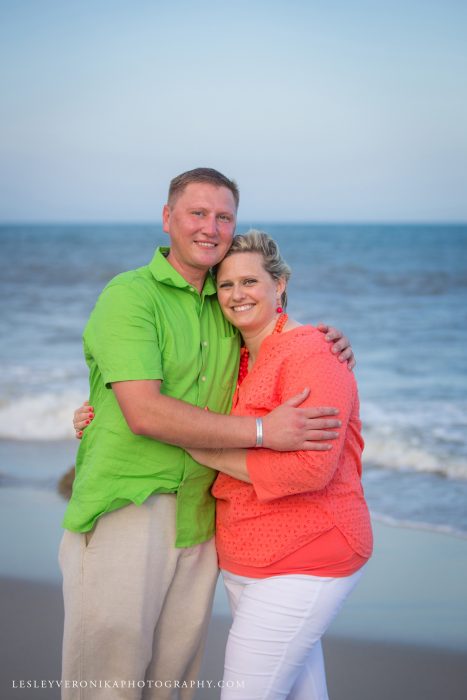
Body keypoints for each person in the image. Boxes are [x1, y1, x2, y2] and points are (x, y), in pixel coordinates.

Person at [64, 167, 355, 700]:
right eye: (197, 212)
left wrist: (326, 339)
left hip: (202, 519)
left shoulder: (225, 307)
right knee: (108, 678)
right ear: (167, 218)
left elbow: (276, 340)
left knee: (173, 680)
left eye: (224, 216)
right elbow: (144, 412)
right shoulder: (131, 296)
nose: (210, 226)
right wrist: (265, 430)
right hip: (131, 503)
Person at [182, 231, 374, 699]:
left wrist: (207, 451)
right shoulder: (234, 357)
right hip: (247, 553)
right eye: (225, 285)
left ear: (280, 283)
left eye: (250, 281)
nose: (237, 295)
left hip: (307, 555)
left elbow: (312, 469)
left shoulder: (313, 352)